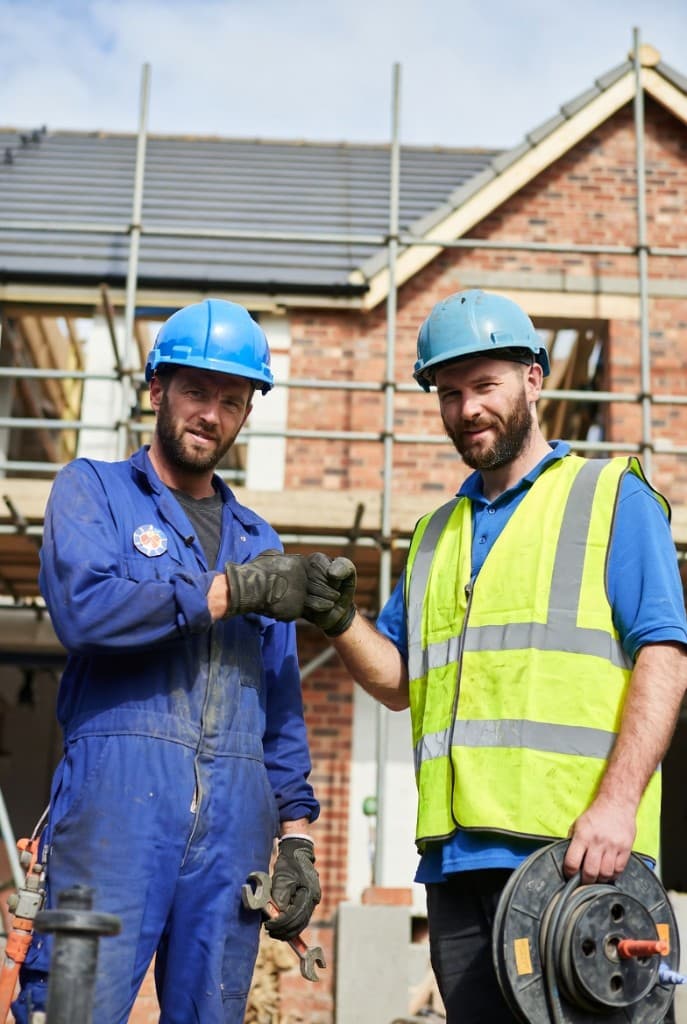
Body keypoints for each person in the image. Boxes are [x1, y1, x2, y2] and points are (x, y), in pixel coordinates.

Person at [300, 289, 687, 1023]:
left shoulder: (609, 496)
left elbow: (663, 655)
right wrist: (335, 617)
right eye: (449, 393)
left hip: (575, 858)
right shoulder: (433, 534)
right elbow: (395, 683)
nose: (467, 408)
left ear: (533, 378)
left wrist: (614, 807)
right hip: (454, 866)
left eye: (484, 386)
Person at [14, 299, 321, 1024]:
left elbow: (280, 704)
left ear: (247, 413)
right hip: (114, 811)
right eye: (194, 391)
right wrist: (224, 593)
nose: (210, 414)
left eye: (230, 400)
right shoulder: (93, 491)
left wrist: (299, 836)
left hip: (235, 831)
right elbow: (86, 609)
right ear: (157, 390)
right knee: (73, 1011)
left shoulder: (257, 539)